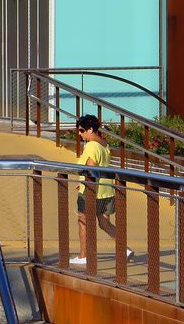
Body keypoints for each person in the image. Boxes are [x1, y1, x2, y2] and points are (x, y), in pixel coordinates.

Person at [71, 114, 131, 266]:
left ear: (91, 129)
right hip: (106, 190)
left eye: (82, 130)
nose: (80, 134)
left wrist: (85, 182)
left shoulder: (91, 145)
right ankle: (125, 249)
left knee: (83, 221)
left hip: (92, 191)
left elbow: (91, 167)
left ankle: (84, 256)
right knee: (104, 223)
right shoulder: (104, 144)